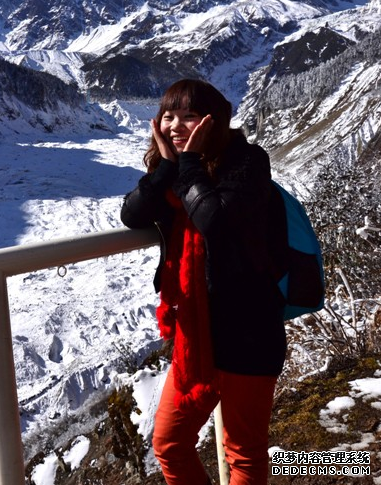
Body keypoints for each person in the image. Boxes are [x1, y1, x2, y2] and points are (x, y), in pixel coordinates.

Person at [120, 79, 286, 485]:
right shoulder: (173, 171)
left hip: (249, 330)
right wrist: (166, 168)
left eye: (189, 116)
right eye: (168, 116)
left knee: (244, 452)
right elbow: (132, 215)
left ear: (213, 121)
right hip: (196, 335)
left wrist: (188, 163)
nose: (175, 125)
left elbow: (214, 220)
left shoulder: (248, 162)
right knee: (169, 443)